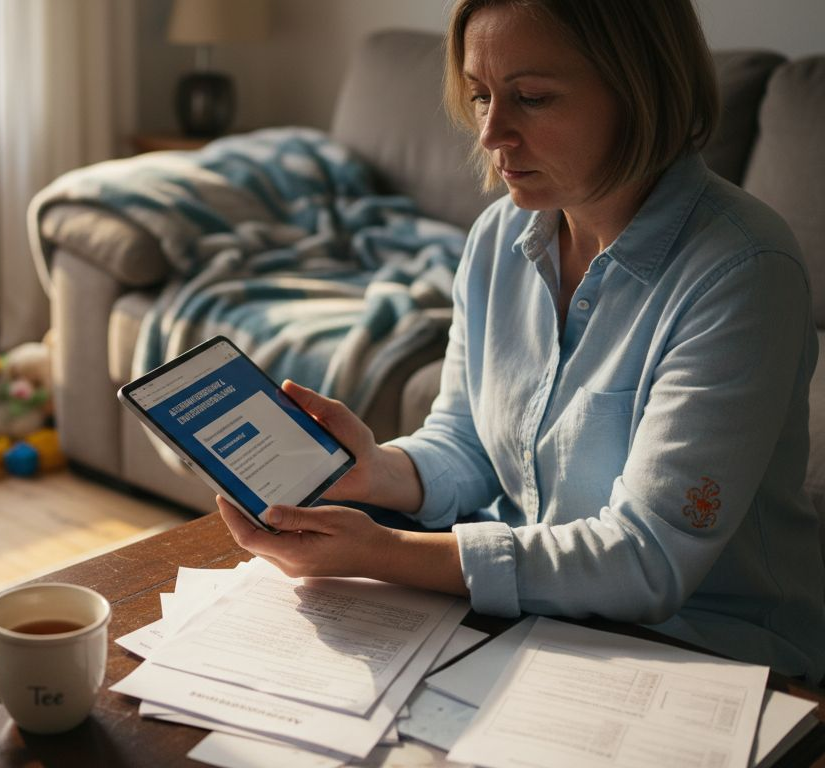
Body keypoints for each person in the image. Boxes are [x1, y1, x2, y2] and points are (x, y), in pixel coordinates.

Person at [216, 0, 825, 682]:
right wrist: (379, 471)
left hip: (712, 652)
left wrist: (379, 551)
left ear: (641, 90)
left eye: (531, 98)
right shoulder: (500, 238)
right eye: (480, 96)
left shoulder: (742, 271)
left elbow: (646, 560)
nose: (491, 133)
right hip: (536, 623)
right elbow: (467, 440)